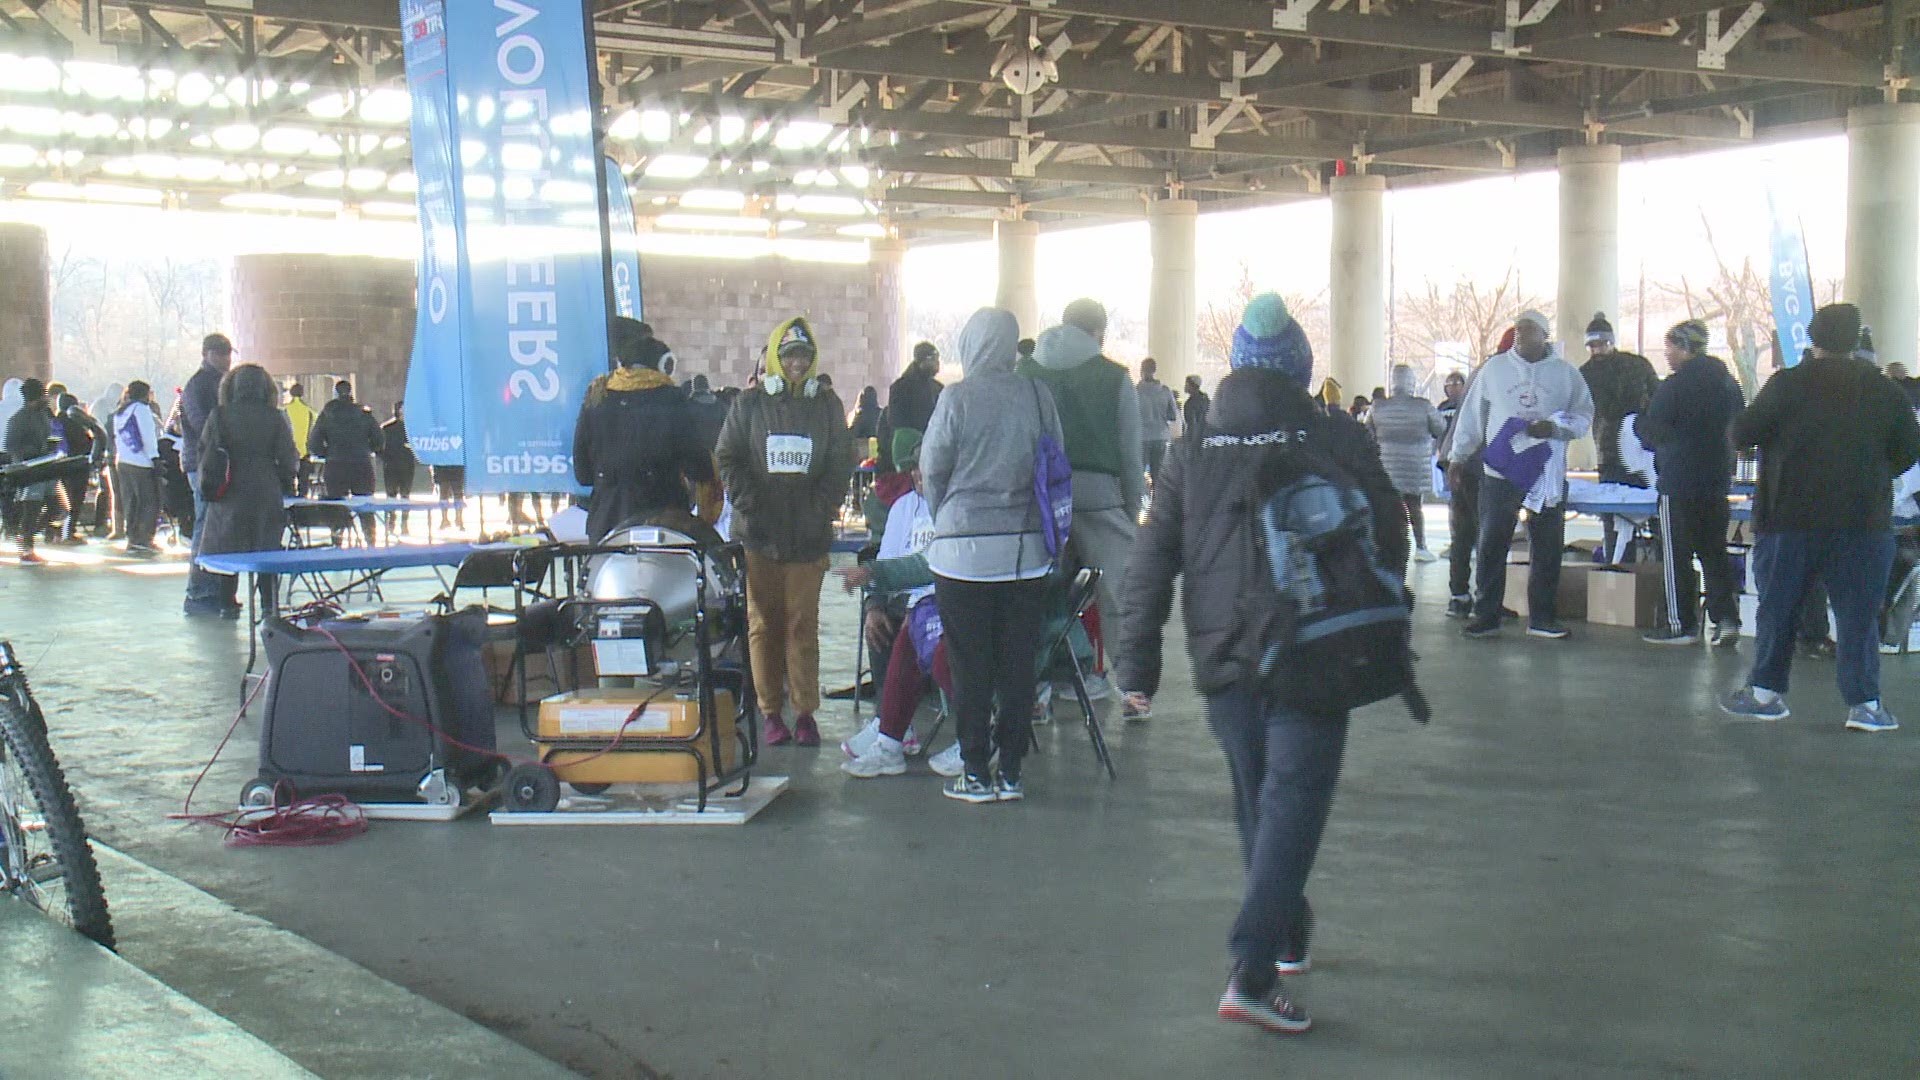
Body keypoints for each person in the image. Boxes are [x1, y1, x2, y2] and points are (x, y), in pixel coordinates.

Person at [1116, 292, 1406, 1036]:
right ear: (1300, 367)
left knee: (1258, 800)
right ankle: (1251, 970)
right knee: (1293, 804)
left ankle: (1286, 930)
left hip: (1221, 655)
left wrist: (1136, 664)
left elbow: (1151, 560)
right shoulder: (1335, 433)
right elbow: (1390, 527)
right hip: (1316, 644)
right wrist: (1374, 609)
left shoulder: (1195, 447)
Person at [1721, 303, 1920, 732]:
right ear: (1857, 340)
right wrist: (1872, 474)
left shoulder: (1787, 385)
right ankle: (1866, 705)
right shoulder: (1885, 390)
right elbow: (1909, 451)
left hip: (1790, 517)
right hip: (1863, 522)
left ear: (1813, 339)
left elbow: (1742, 433)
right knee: (1858, 615)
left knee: (1779, 609)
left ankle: (1765, 695)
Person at [919, 307, 1065, 803]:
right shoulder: (1036, 394)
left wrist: (949, 520)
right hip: (1025, 554)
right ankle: (1013, 772)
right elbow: (1055, 461)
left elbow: (933, 468)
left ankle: (976, 770)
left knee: (970, 664)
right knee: (1018, 664)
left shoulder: (955, 398)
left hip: (962, 557)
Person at [715, 316, 852, 749]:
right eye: (790, 355)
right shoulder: (748, 405)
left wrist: (822, 507)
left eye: (804, 356)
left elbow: (839, 462)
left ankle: (805, 711)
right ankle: (770, 711)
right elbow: (727, 456)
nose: (797, 363)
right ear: (775, 357)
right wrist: (750, 502)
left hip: (808, 536)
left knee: (801, 624)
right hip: (759, 536)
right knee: (763, 624)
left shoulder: (827, 405)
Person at [1021, 298, 1145, 712]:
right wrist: (1130, 510)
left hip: (1036, 498)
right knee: (1120, 594)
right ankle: (1132, 688)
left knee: (1036, 592)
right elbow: (1130, 452)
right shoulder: (1113, 378)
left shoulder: (1025, 371)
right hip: (1099, 498)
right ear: (1098, 333)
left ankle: (1034, 689)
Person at [1448, 310, 1595, 640]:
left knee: (1547, 544)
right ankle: (1486, 614)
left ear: (1544, 336)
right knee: (1491, 541)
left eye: (1530, 331)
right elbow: (1472, 415)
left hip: (1546, 472)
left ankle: (1542, 617)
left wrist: (1556, 428)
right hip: (1501, 471)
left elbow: (1584, 415)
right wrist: (1458, 456)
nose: (1521, 337)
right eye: (1518, 331)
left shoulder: (1565, 374)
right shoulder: (1495, 369)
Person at [834, 429, 960, 779]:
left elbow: (933, 566)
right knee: (878, 621)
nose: (920, 477)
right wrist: (874, 603)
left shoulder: (956, 508)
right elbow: (889, 559)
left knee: (915, 625)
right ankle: (890, 726)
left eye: (927, 470)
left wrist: (909, 607)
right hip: (909, 596)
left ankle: (894, 729)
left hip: (946, 601)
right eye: (915, 471)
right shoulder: (904, 506)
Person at [1637, 320, 1746, 647]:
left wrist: (1639, 425)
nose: (1667, 354)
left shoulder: (1674, 386)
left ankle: (1679, 623)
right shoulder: (1728, 384)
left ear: (1684, 348)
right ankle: (1726, 619)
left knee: (1676, 554)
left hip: (1679, 480)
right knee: (1714, 551)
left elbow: (1654, 433)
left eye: (1670, 347)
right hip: (1716, 479)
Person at [572, 318, 718, 543]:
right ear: (662, 364)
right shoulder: (671, 399)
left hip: (607, 526)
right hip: (663, 525)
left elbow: (582, 474)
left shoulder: (596, 397)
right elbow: (699, 468)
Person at [191, 364, 299, 617]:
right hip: (266, 491)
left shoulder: (219, 415)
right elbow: (287, 458)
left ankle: (228, 604)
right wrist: (286, 483)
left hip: (229, 492)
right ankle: (268, 606)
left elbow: (205, 452)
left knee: (230, 550)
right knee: (267, 550)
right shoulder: (275, 417)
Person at [1579, 313, 1660, 559]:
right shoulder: (1637, 365)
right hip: (1638, 453)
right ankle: (1653, 575)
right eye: (1593, 345)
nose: (1597, 349)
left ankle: (1618, 579)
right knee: (1649, 521)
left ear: (1610, 341)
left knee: (1617, 525)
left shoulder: (1586, 374)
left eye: (1601, 343)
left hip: (1620, 454)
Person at [1367, 364, 1448, 566]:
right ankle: (1420, 547)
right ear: (1412, 381)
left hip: (1386, 465)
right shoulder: (1423, 405)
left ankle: (1385, 546)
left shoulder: (1378, 407)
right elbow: (1440, 427)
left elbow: (1367, 432)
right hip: (1415, 465)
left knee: (1387, 508)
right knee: (1414, 506)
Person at [180, 333, 234, 612]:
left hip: (212, 462)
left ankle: (213, 589)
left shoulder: (218, 383)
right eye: (222, 352)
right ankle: (199, 592)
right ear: (207, 353)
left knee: (214, 527)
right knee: (205, 527)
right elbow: (202, 425)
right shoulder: (199, 385)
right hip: (203, 464)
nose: (227, 358)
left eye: (229, 352)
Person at [306, 379, 384, 541]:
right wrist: (367, 450)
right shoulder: (364, 414)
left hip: (335, 465)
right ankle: (370, 539)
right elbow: (379, 439)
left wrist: (325, 453)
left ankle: (338, 539)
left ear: (335, 394)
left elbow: (314, 441)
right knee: (364, 504)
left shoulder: (327, 414)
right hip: (361, 465)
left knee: (336, 505)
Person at [4, 379, 55, 565]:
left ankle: (27, 534)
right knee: (31, 509)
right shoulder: (18, 419)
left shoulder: (43, 415)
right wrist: (32, 452)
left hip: (46, 467)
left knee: (59, 508)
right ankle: (26, 547)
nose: (46, 398)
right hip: (29, 470)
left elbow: (47, 436)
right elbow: (11, 447)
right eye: (43, 395)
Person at [111, 382, 161, 555]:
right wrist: (154, 457)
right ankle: (144, 538)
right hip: (142, 462)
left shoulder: (120, 411)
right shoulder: (141, 409)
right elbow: (148, 435)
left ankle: (132, 538)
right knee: (148, 502)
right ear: (144, 394)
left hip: (123, 461)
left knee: (130, 501)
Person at [880, 341, 942, 471]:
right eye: (934, 358)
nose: (938, 363)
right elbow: (896, 421)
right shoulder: (902, 387)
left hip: (928, 446)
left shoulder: (937, 388)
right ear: (923, 360)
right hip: (909, 450)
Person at [53, 393, 105, 545]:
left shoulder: (55, 421)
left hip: (57, 467)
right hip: (75, 466)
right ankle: (68, 533)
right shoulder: (74, 422)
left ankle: (56, 533)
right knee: (74, 501)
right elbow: (85, 444)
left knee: (60, 501)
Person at [1136, 357, 1179, 493]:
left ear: (1141, 371)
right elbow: (1172, 415)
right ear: (1155, 370)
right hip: (1161, 436)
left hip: (1141, 437)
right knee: (1159, 475)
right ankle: (1158, 506)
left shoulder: (1135, 391)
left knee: (1138, 474)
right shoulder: (1165, 391)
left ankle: (1138, 505)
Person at [378, 401, 417, 535]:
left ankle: (404, 524)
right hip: (391, 467)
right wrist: (386, 459)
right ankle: (391, 523)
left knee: (405, 495)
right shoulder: (387, 428)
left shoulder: (412, 428)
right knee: (391, 496)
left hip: (407, 466)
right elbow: (379, 447)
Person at [283, 382, 318, 497]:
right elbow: (314, 430)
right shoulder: (309, 411)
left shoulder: (285, 411)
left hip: (288, 452)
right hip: (304, 452)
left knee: (288, 487)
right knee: (304, 486)